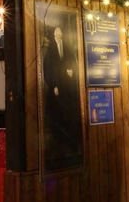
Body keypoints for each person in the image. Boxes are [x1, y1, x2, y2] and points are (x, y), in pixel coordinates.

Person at [42, 26, 82, 170]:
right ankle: (58, 141)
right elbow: (49, 69)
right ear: (53, 34)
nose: (60, 34)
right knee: (56, 113)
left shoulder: (67, 47)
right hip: (57, 87)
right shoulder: (50, 51)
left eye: (61, 32)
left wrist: (72, 72)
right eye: (57, 32)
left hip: (67, 87)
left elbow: (72, 62)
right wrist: (53, 85)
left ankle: (68, 142)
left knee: (68, 113)